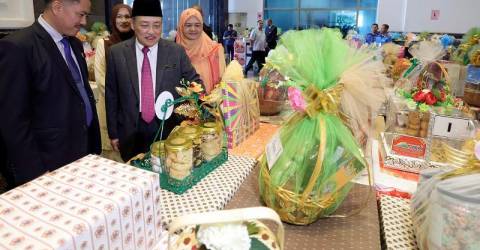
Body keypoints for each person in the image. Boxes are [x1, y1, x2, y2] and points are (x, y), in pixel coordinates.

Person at [0, 0, 101, 189]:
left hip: (83, 154)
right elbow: (12, 121)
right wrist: (36, 173)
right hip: (48, 165)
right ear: (57, 7)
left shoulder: (75, 44)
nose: (84, 22)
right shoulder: (18, 48)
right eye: (80, 14)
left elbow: (80, 96)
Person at [105, 0, 202, 162]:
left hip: (168, 128)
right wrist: (113, 133)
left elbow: (195, 83)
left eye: (157, 25)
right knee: (134, 173)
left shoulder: (175, 52)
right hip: (130, 129)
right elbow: (112, 95)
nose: (151, 31)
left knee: (168, 171)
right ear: (133, 25)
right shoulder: (117, 53)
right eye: (144, 25)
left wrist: (192, 112)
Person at [94, 3, 134, 162]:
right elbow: (100, 78)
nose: (124, 20)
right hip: (110, 107)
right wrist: (123, 97)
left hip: (133, 109)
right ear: (113, 19)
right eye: (119, 16)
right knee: (113, 158)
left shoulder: (138, 43)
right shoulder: (103, 43)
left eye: (127, 16)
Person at [177, 8, 226, 93]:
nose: (193, 29)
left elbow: (224, 81)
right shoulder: (173, 51)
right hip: (182, 104)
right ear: (181, 26)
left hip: (210, 102)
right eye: (188, 25)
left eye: (197, 25)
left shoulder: (214, 50)